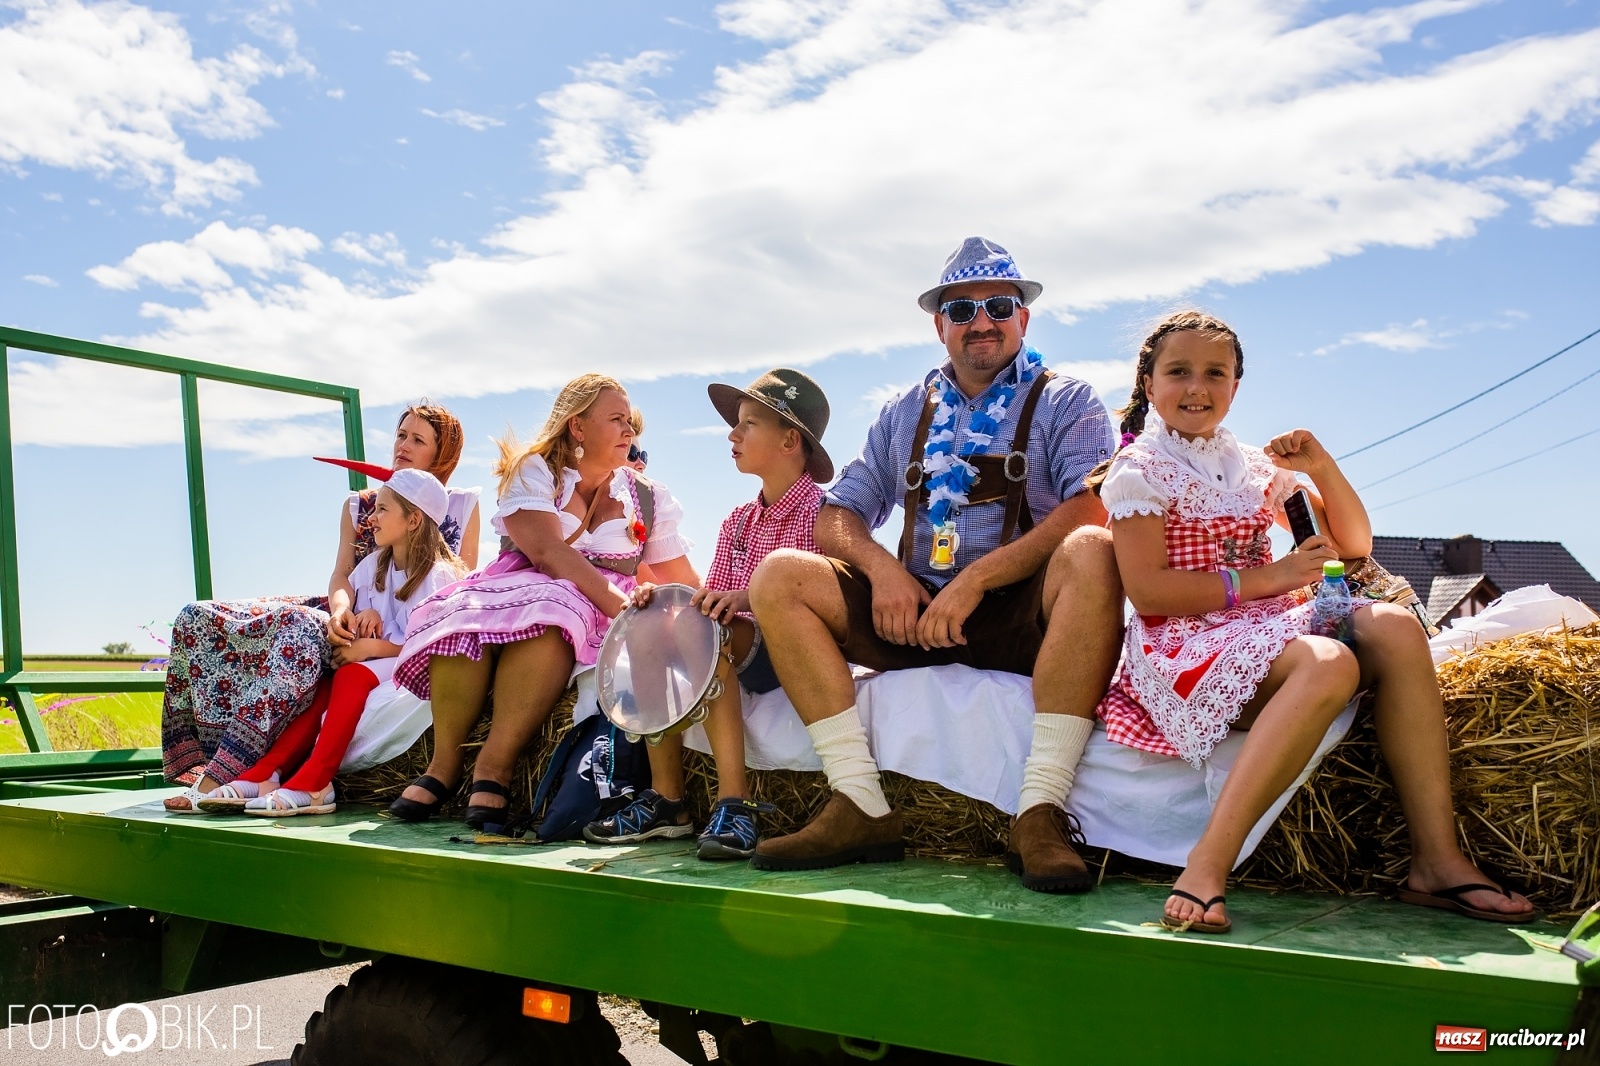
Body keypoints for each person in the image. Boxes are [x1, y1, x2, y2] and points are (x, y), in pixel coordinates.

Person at [1092, 310, 1533, 931]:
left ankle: (1436, 859)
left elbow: (1351, 545)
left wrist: (1321, 467)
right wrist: (1270, 578)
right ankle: (1207, 863)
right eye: (1179, 371)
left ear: (1236, 385)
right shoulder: (1139, 468)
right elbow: (1150, 593)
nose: (1197, 387)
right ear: (1149, 383)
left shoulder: (1252, 466)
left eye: (1215, 373)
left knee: (1396, 626)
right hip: (1183, 643)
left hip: (1261, 627)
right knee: (1330, 662)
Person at [747, 237, 1121, 889]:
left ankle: (1041, 811)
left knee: (1094, 550)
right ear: (938, 324)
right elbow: (836, 514)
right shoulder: (903, 411)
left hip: (1020, 618)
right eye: (962, 309)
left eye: (998, 306)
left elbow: (1091, 506)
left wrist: (979, 579)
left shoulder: (1067, 400)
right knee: (781, 573)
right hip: (915, 617)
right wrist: (883, 572)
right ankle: (859, 801)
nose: (982, 321)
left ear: (1023, 317)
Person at [389, 376, 698, 832]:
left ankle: (493, 766)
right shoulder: (535, 471)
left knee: (555, 612)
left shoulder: (647, 497)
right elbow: (549, 554)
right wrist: (621, 606)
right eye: (616, 419)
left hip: (583, 603)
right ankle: (443, 765)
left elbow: (683, 578)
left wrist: (715, 608)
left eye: (629, 422)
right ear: (577, 426)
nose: (629, 430)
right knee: (461, 615)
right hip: (534, 583)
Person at [161, 404, 481, 812]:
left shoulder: (441, 565)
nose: (403, 445)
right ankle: (262, 772)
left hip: (401, 655)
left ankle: (310, 781)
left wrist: (370, 646)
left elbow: (435, 632)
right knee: (317, 683)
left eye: (417, 439)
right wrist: (354, 614)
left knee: (347, 674)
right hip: (363, 635)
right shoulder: (374, 555)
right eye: (401, 435)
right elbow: (346, 583)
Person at [584, 370, 833, 859]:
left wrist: (746, 599)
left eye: (748, 424)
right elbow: (711, 598)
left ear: (789, 441)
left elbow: (826, 603)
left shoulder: (822, 514)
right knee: (652, 624)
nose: (732, 435)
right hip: (737, 644)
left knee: (708, 631)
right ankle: (668, 801)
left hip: (793, 652)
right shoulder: (737, 520)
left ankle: (735, 803)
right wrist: (660, 600)